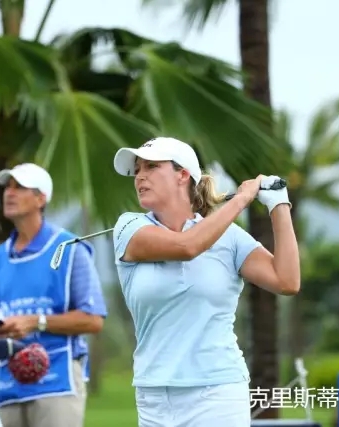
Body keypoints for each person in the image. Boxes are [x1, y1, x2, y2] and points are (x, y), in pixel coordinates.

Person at [112, 137, 300, 427]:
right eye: (137, 170)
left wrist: (278, 204)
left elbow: (287, 281)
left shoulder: (229, 237)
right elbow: (187, 247)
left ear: (182, 174)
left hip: (218, 393)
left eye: (151, 166)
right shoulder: (129, 227)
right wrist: (241, 199)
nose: (140, 176)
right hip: (154, 397)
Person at [0, 163, 108, 427]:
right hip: (7, 386)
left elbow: (93, 320)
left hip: (57, 383)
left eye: (19, 187)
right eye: (7, 187)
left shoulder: (69, 249)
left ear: (41, 198)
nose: (9, 193)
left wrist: (36, 322)